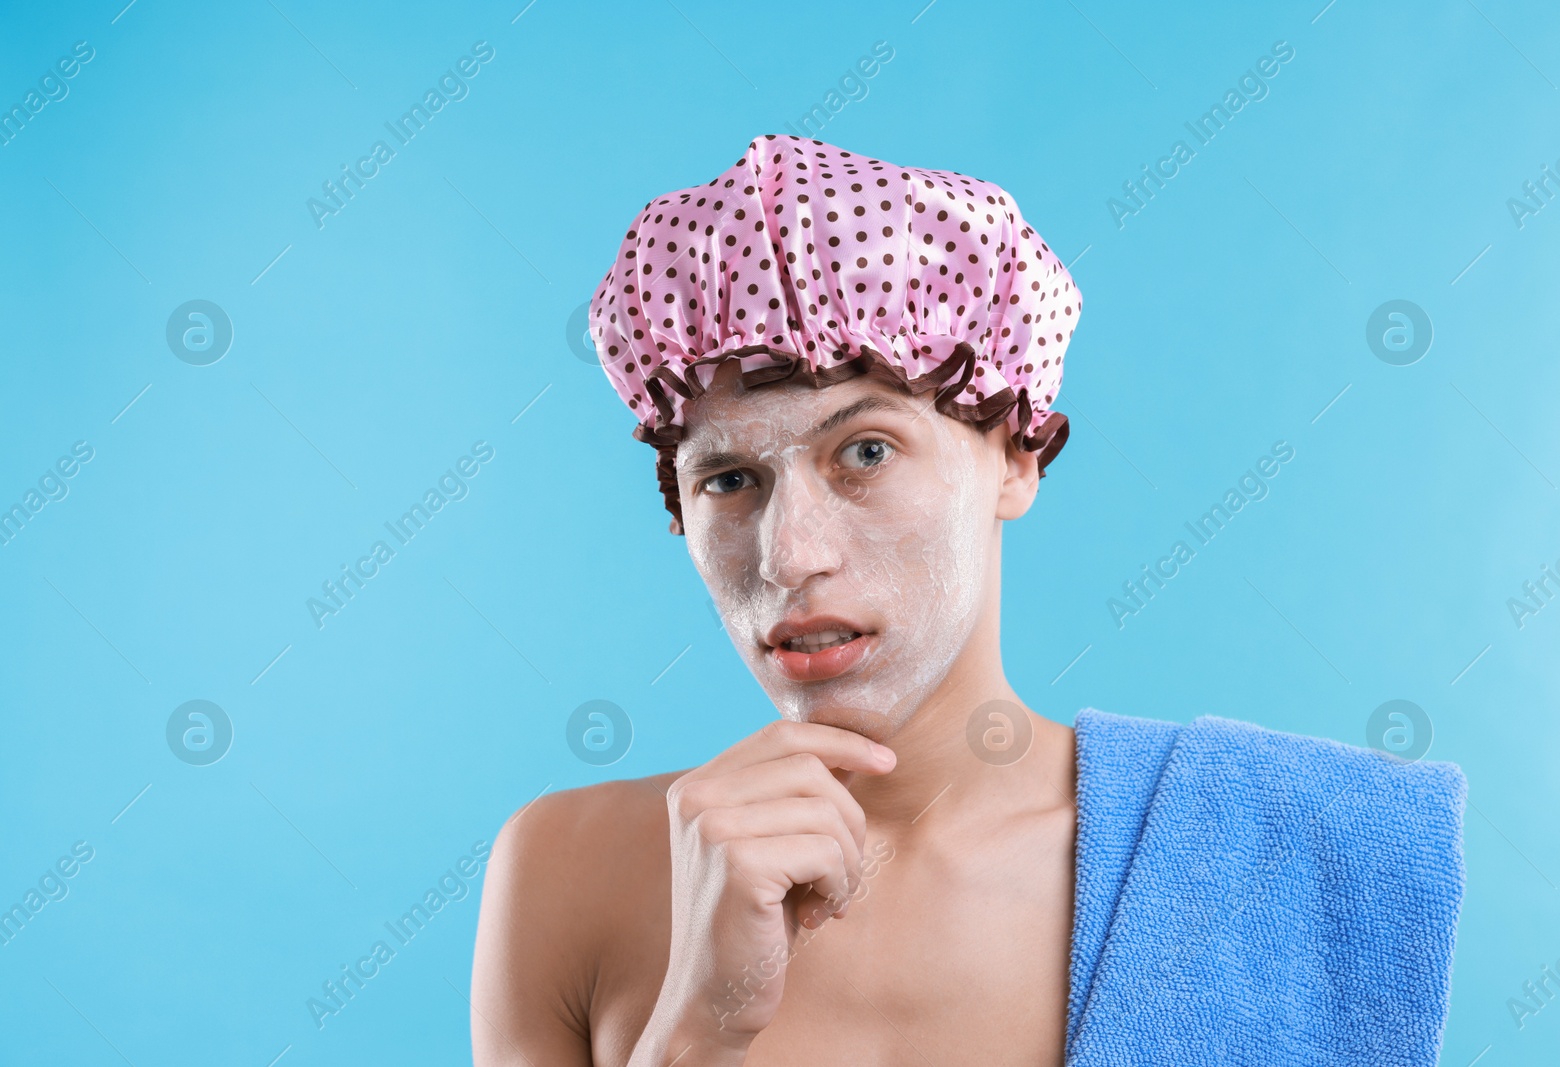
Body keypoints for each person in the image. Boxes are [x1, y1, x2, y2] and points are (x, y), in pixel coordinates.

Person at [469, 136, 1465, 1067]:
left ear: (1017, 457)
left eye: (864, 451)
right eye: (729, 477)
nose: (791, 556)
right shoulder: (567, 873)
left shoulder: (1298, 854)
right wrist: (698, 1027)